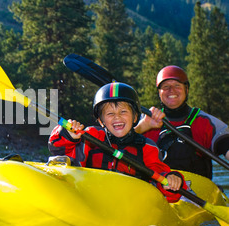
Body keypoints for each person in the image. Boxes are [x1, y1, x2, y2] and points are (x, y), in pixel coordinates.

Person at [48, 82, 187, 203]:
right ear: (101, 121)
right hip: (90, 199)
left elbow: (162, 181)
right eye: (110, 114)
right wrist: (68, 134)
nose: (117, 117)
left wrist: (170, 180)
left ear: (135, 118)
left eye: (123, 111)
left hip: (128, 205)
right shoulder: (91, 136)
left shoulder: (146, 147)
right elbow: (57, 148)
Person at [135, 66, 229, 180]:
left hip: (197, 192)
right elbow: (119, 144)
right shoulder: (146, 121)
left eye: (177, 85)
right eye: (166, 87)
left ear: (187, 89)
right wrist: (141, 128)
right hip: (156, 190)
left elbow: (226, 145)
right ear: (159, 93)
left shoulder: (204, 122)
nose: (171, 90)